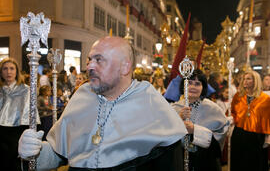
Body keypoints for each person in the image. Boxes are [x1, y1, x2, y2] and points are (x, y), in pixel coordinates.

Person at [18, 36, 187, 170]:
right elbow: (60, 155)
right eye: (89, 60)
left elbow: (170, 163)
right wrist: (35, 152)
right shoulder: (82, 95)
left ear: (125, 67)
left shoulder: (151, 102)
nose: (90, 66)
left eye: (99, 60)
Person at [171, 69, 229, 171]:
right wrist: (178, 119)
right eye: (189, 83)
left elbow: (220, 135)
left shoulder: (213, 109)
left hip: (205, 162)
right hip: (178, 161)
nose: (193, 87)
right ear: (183, 86)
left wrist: (195, 130)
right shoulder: (173, 108)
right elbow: (164, 136)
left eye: (198, 84)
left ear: (203, 88)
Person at [0, 58, 40, 170]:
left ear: (17, 72)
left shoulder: (26, 90)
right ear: (1, 72)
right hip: (1, 132)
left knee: (16, 163)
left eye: (12, 69)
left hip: (18, 131)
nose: (8, 72)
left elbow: (29, 113)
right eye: (5, 69)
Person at [230, 70, 270, 171]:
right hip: (239, 134)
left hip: (257, 136)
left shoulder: (265, 99)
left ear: (255, 81)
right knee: (239, 163)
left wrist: (267, 137)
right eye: (244, 79)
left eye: (248, 78)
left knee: (255, 164)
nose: (245, 81)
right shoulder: (238, 97)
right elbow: (233, 113)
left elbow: (268, 119)